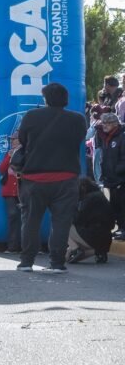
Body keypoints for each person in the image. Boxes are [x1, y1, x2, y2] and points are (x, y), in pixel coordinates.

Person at [15, 82, 87, 274]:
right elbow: (79, 140)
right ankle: (56, 263)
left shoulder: (31, 116)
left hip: (34, 178)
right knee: (61, 222)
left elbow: (22, 140)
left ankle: (26, 262)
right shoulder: (78, 119)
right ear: (66, 98)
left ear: (45, 98)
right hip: (66, 178)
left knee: (30, 222)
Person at [67, 178, 115, 264]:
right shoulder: (100, 196)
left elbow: (78, 220)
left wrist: (72, 207)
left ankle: (75, 248)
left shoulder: (89, 199)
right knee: (68, 258)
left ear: (83, 188)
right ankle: (99, 253)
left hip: (93, 236)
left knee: (63, 225)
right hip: (106, 240)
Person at [96, 112, 125, 240]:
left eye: (107, 123)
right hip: (110, 178)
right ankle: (121, 228)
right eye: (103, 123)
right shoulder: (104, 137)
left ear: (115, 124)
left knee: (122, 205)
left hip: (120, 178)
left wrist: (117, 172)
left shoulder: (121, 137)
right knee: (115, 205)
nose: (104, 125)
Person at [0, 132, 22, 253]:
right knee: (13, 217)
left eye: (14, 139)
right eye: (11, 140)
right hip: (9, 191)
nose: (12, 141)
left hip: (24, 190)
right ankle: (13, 247)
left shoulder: (26, 151)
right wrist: (9, 156)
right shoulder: (9, 153)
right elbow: (1, 169)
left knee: (29, 218)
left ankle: (31, 247)